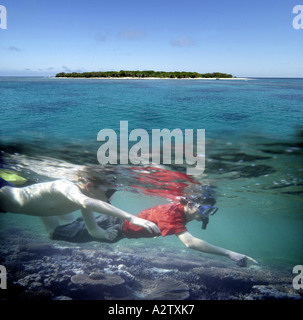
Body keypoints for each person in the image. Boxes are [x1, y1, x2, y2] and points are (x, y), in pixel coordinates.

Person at [50, 195, 258, 267]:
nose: (206, 215)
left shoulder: (184, 210)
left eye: (211, 211)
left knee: (69, 226)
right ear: (190, 204)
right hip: (111, 227)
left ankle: (54, 205)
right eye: (203, 210)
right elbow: (190, 243)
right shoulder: (172, 214)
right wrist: (230, 253)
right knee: (55, 233)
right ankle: (39, 202)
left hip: (116, 227)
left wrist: (201, 213)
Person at [0, 173, 161, 240]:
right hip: (3, 194)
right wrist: (131, 218)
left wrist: (105, 234)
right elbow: (86, 202)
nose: (111, 197)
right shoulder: (66, 186)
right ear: (90, 186)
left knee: (53, 232)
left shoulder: (86, 199)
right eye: (110, 191)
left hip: (15, 205)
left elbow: (92, 230)